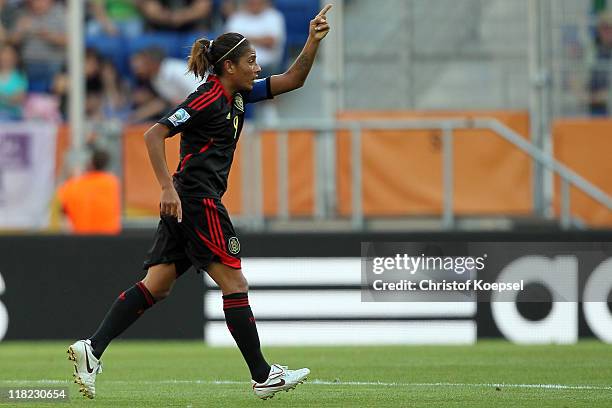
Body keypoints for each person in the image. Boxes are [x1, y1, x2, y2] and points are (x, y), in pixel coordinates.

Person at [67, 4, 332, 400]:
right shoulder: (206, 99)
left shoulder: (239, 97)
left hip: (189, 199)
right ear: (229, 67)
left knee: (157, 286)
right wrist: (166, 188)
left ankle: (92, 349)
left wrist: (311, 40)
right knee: (234, 281)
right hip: (195, 199)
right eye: (251, 61)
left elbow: (294, 78)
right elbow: (153, 135)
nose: (257, 68)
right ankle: (262, 375)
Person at [57, 149, 121, 235]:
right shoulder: (112, 183)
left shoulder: (72, 186)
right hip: (109, 236)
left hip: (81, 237)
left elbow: (63, 212)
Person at [0, 43, 27, 120]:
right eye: (4, 54)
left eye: (9, 54)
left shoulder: (20, 76)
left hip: (12, 114)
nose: (6, 57)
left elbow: (18, 99)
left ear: (15, 58)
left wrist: (2, 97)